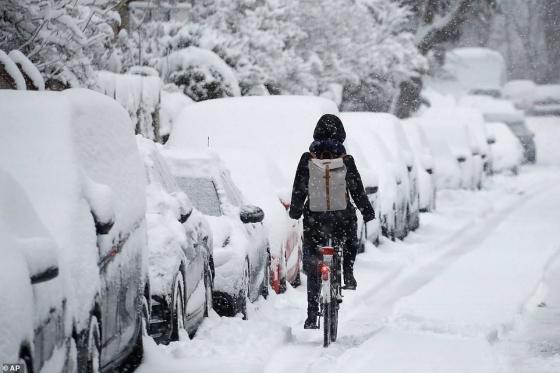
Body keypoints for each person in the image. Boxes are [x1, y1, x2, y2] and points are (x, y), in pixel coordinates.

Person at [289, 114, 376, 329]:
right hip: (341, 217)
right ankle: (348, 272)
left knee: (312, 262)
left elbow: (299, 188)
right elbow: (356, 189)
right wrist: (367, 211)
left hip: (315, 218)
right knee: (349, 238)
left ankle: (311, 314)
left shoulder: (308, 158)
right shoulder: (346, 160)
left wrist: (296, 211)